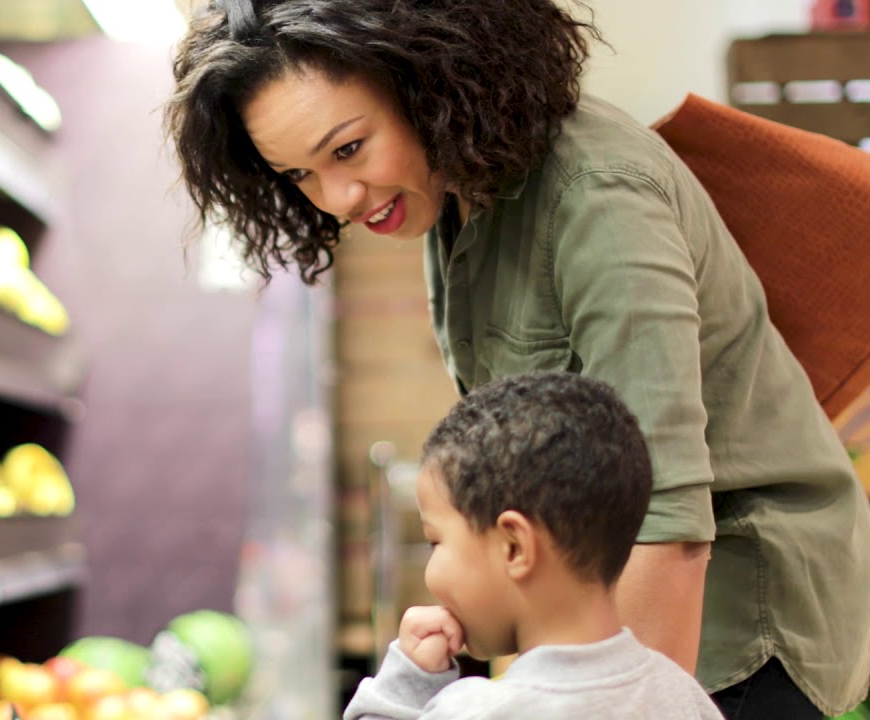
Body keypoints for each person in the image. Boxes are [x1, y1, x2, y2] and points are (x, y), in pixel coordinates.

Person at [164, 1, 870, 718]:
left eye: (348, 149)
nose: (338, 197)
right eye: (298, 175)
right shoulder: (453, 196)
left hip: (737, 622)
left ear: (425, 80)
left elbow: (668, 515)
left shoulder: (597, 192)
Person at [344, 371, 724, 719]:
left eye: (435, 542)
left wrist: (408, 683)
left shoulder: (476, 713)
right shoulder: (685, 699)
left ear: (514, 547)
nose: (431, 574)